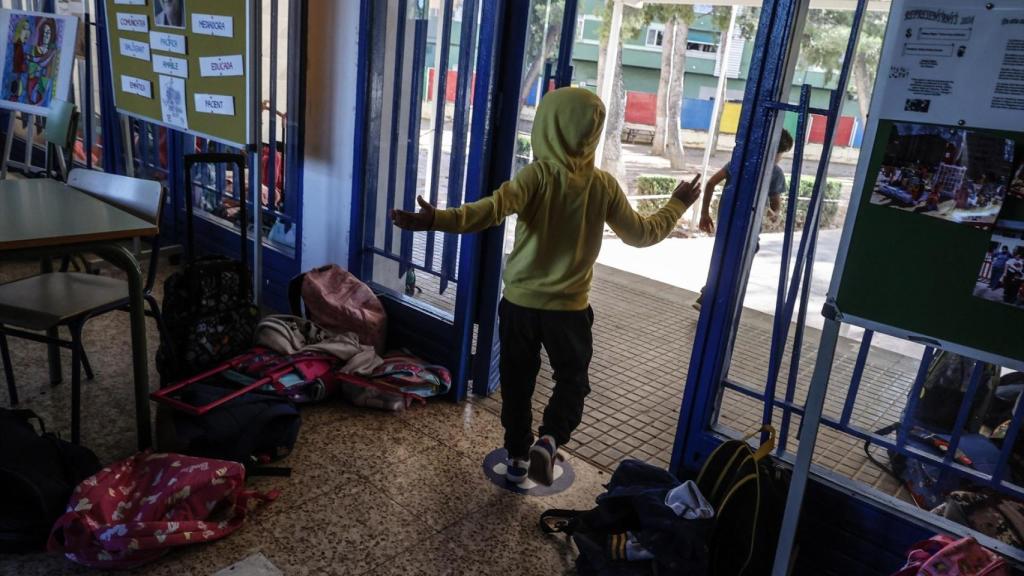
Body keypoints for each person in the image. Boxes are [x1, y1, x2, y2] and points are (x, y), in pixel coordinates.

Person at [391, 87, 702, 486]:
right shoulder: (603, 186)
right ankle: (550, 439)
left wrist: (438, 219)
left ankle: (518, 455)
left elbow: (490, 211)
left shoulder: (535, 176)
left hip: (520, 304)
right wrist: (676, 204)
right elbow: (642, 234)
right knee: (572, 381)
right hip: (570, 312)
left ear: (548, 127)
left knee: (518, 382)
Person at [692, 129, 794, 310]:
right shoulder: (775, 173)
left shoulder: (740, 162)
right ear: (776, 152)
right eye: (781, 154)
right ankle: (714, 298)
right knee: (740, 261)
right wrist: (774, 214)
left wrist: (705, 214)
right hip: (749, 229)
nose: (779, 158)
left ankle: (708, 296)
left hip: (727, 221)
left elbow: (710, 183)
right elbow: (776, 205)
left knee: (722, 258)